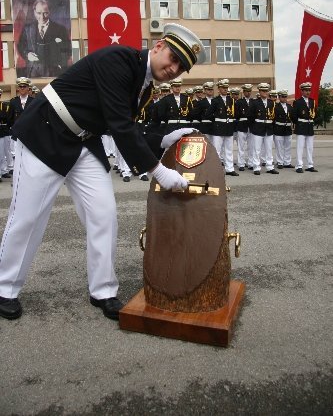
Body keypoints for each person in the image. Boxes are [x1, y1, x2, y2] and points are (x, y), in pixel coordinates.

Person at [0, 23, 205, 321]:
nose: (174, 68)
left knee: (103, 214)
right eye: (173, 58)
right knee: (28, 217)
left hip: (85, 141)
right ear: (159, 46)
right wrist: (157, 170)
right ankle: (5, 288)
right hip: (46, 132)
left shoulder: (144, 84)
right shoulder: (118, 59)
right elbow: (119, 123)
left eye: (181, 67)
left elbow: (125, 124)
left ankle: (104, 290)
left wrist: (161, 140)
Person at [17, 0, 72, 78]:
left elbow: (68, 49)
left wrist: (59, 64)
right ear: (34, 12)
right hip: (32, 71)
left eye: (45, 13)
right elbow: (21, 46)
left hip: (54, 72)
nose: (42, 17)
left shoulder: (60, 29)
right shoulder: (27, 29)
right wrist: (27, 54)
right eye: (39, 13)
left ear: (50, 12)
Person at [206, 79, 239, 176]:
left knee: (229, 150)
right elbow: (208, 114)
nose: (225, 89)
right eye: (223, 88)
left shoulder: (231, 100)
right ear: (219, 89)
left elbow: (235, 114)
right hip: (218, 128)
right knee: (217, 150)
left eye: (226, 88)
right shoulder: (215, 100)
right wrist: (217, 120)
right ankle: (215, 169)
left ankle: (229, 169)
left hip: (229, 127)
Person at [249, 82, 279, 175]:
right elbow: (250, 117)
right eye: (263, 91)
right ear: (259, 91)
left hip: (269, 128)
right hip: (258, 128)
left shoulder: (271, 103)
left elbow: (275, 117)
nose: (265, 92)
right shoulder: (254, 102)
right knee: (257, 149)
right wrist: (253, 128)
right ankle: (256, 167)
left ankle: (270, 166)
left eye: (266, 91)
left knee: (269, 149)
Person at [293, 82, 318, 173]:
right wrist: (299, 123)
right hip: (301, 126)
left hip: (309, 126)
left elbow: (315, 114)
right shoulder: (297, 102)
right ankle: (299, 166)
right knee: (300, 147)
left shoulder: (312, 101)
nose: (308, 92)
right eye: (306, 90)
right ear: (302, 91)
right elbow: (294, 116)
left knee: (310, 147)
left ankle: (310, 165)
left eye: (309, 90)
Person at [235, 83, 254, 171]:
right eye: (246, 91)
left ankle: (250, 163)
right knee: (241, 146)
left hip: (251, 126)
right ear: (243, 92)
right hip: (242, 126)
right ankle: (241, 164)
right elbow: (236, 115)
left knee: (251, 146)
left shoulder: (254, 101)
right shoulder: (239, 102)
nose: (248, 93)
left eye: (249, 91)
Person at [273, 89, 294, 169]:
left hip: (287, 129)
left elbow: (293, 118)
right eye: (283, 97)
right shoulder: (276, 107)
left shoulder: (290, 107)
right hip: (278, 129)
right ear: (279, 97)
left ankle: (287, 162)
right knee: (279, 147)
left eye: (285, 96)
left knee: (288, 146)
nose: (284, 98)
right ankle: (280, 162)